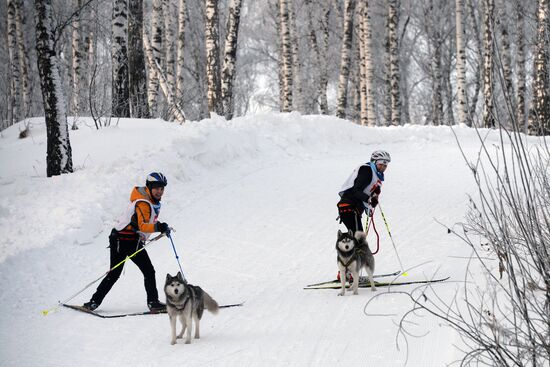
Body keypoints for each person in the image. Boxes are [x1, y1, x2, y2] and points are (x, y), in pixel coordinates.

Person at [83, 172, 171, 312]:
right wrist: (159, 227)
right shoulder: (143, 202)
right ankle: (93, 302)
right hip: (120, 240)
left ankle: (153, 303)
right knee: (115, 273)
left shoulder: (151, 202)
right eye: (156, 188)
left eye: (162, 188)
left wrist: (161, 227)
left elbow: (143, 224)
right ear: (148, 187)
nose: (159, 191)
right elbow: (143, 225)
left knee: (148, 271)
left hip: (133, 241)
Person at [337, 150, 391, 234]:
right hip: (348, 207)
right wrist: (369, 199)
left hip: (351, 208)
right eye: (380, 164)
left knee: (358, 238)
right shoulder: (366, 170)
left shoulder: (376, 177)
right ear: (374, 162)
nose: (383, 168)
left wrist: (373, 199)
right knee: (359, 238)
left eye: (385, 165)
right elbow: (356, 190)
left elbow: (368, 193)